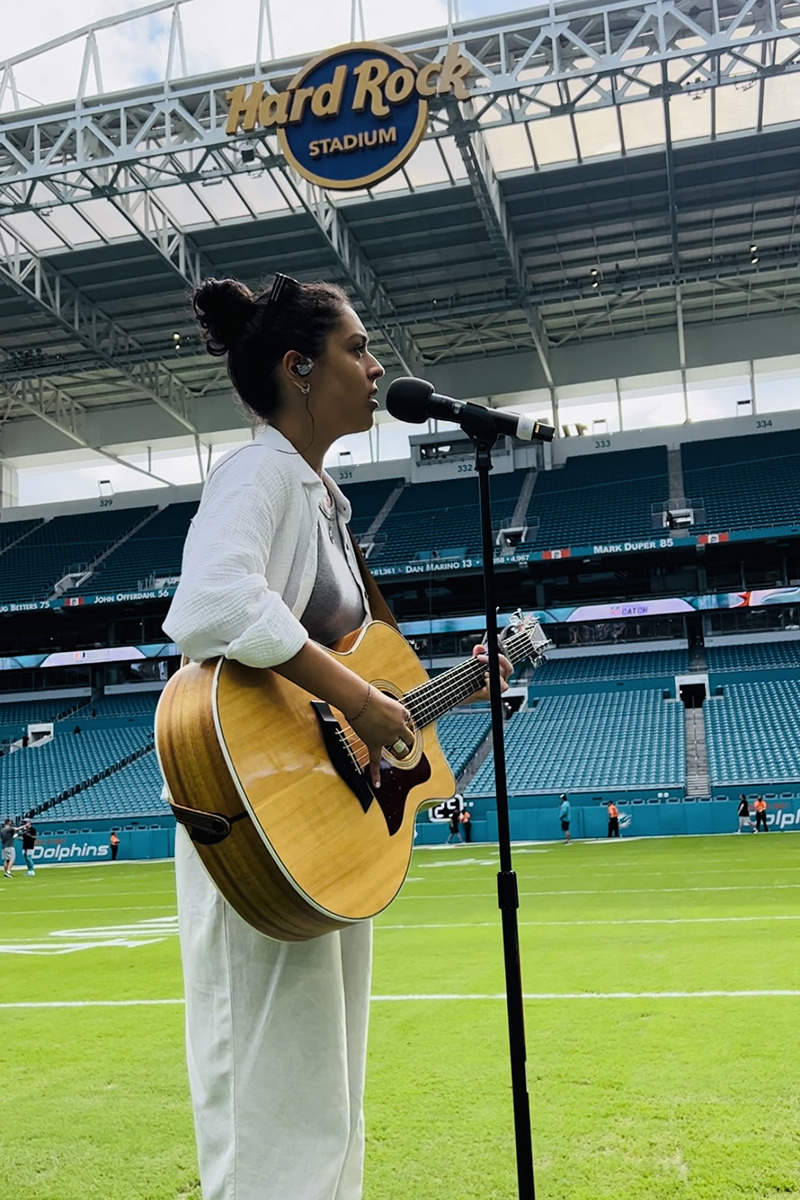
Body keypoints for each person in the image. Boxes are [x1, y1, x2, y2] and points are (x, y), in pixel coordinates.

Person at [161, 270, 510, 1200]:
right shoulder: (260, 471)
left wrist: (457, 688)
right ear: (298, 367)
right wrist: (357, 699)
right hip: (255, 816)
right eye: (356, 347)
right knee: (273, 1105)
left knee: (323, 1103)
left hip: (318, 825)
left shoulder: (321, 500)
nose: (375, 362)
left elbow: (351, 675)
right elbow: (212, 602)